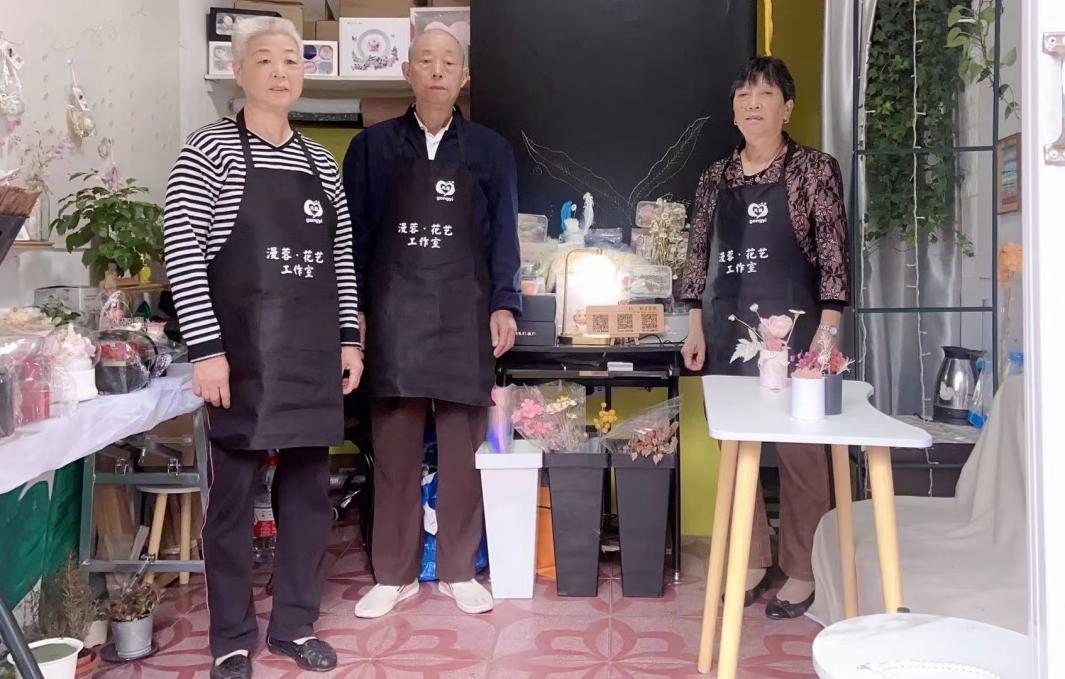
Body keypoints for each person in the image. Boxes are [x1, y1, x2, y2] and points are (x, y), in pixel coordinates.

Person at [163, 17, 362, 679]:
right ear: (239, 71)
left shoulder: (320, 163)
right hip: (239, 359)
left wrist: (349, 339)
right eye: (265, 59)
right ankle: (230, 637)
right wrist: (206, 350)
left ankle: (295, 626)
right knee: (231, 506)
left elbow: (341, 259)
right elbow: (183, 251)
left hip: (309, 357)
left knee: (306, 500)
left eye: (291, 60)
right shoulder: (209, 150)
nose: (280, 71)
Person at [342, 29, 520, 619]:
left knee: (463, 448)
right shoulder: (370, 149)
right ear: (408, 71)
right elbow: (353, 237)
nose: (438, 71)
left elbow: (504, 235)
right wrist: (355, 311)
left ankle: (458, 570)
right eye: (427, 60)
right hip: (393, 312)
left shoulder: (490, 150)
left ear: (464, 77)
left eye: (449, 62)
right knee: (395, 448)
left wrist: (503, 302)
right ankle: (393, 574)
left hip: (465, 311)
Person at [680, 56, 850, 619]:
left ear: (788, 107)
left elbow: (834, 254)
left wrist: (827, 336)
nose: (753, 104)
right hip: (727, 327)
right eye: (744, 95)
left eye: (766, 94)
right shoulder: (715, 177)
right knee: (737, 446)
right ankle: (751, 559)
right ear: (733, 109)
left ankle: (803, 568)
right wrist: (694, 324)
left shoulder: (813, 169)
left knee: (802, 451)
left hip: (798, 331)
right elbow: (698, 253)